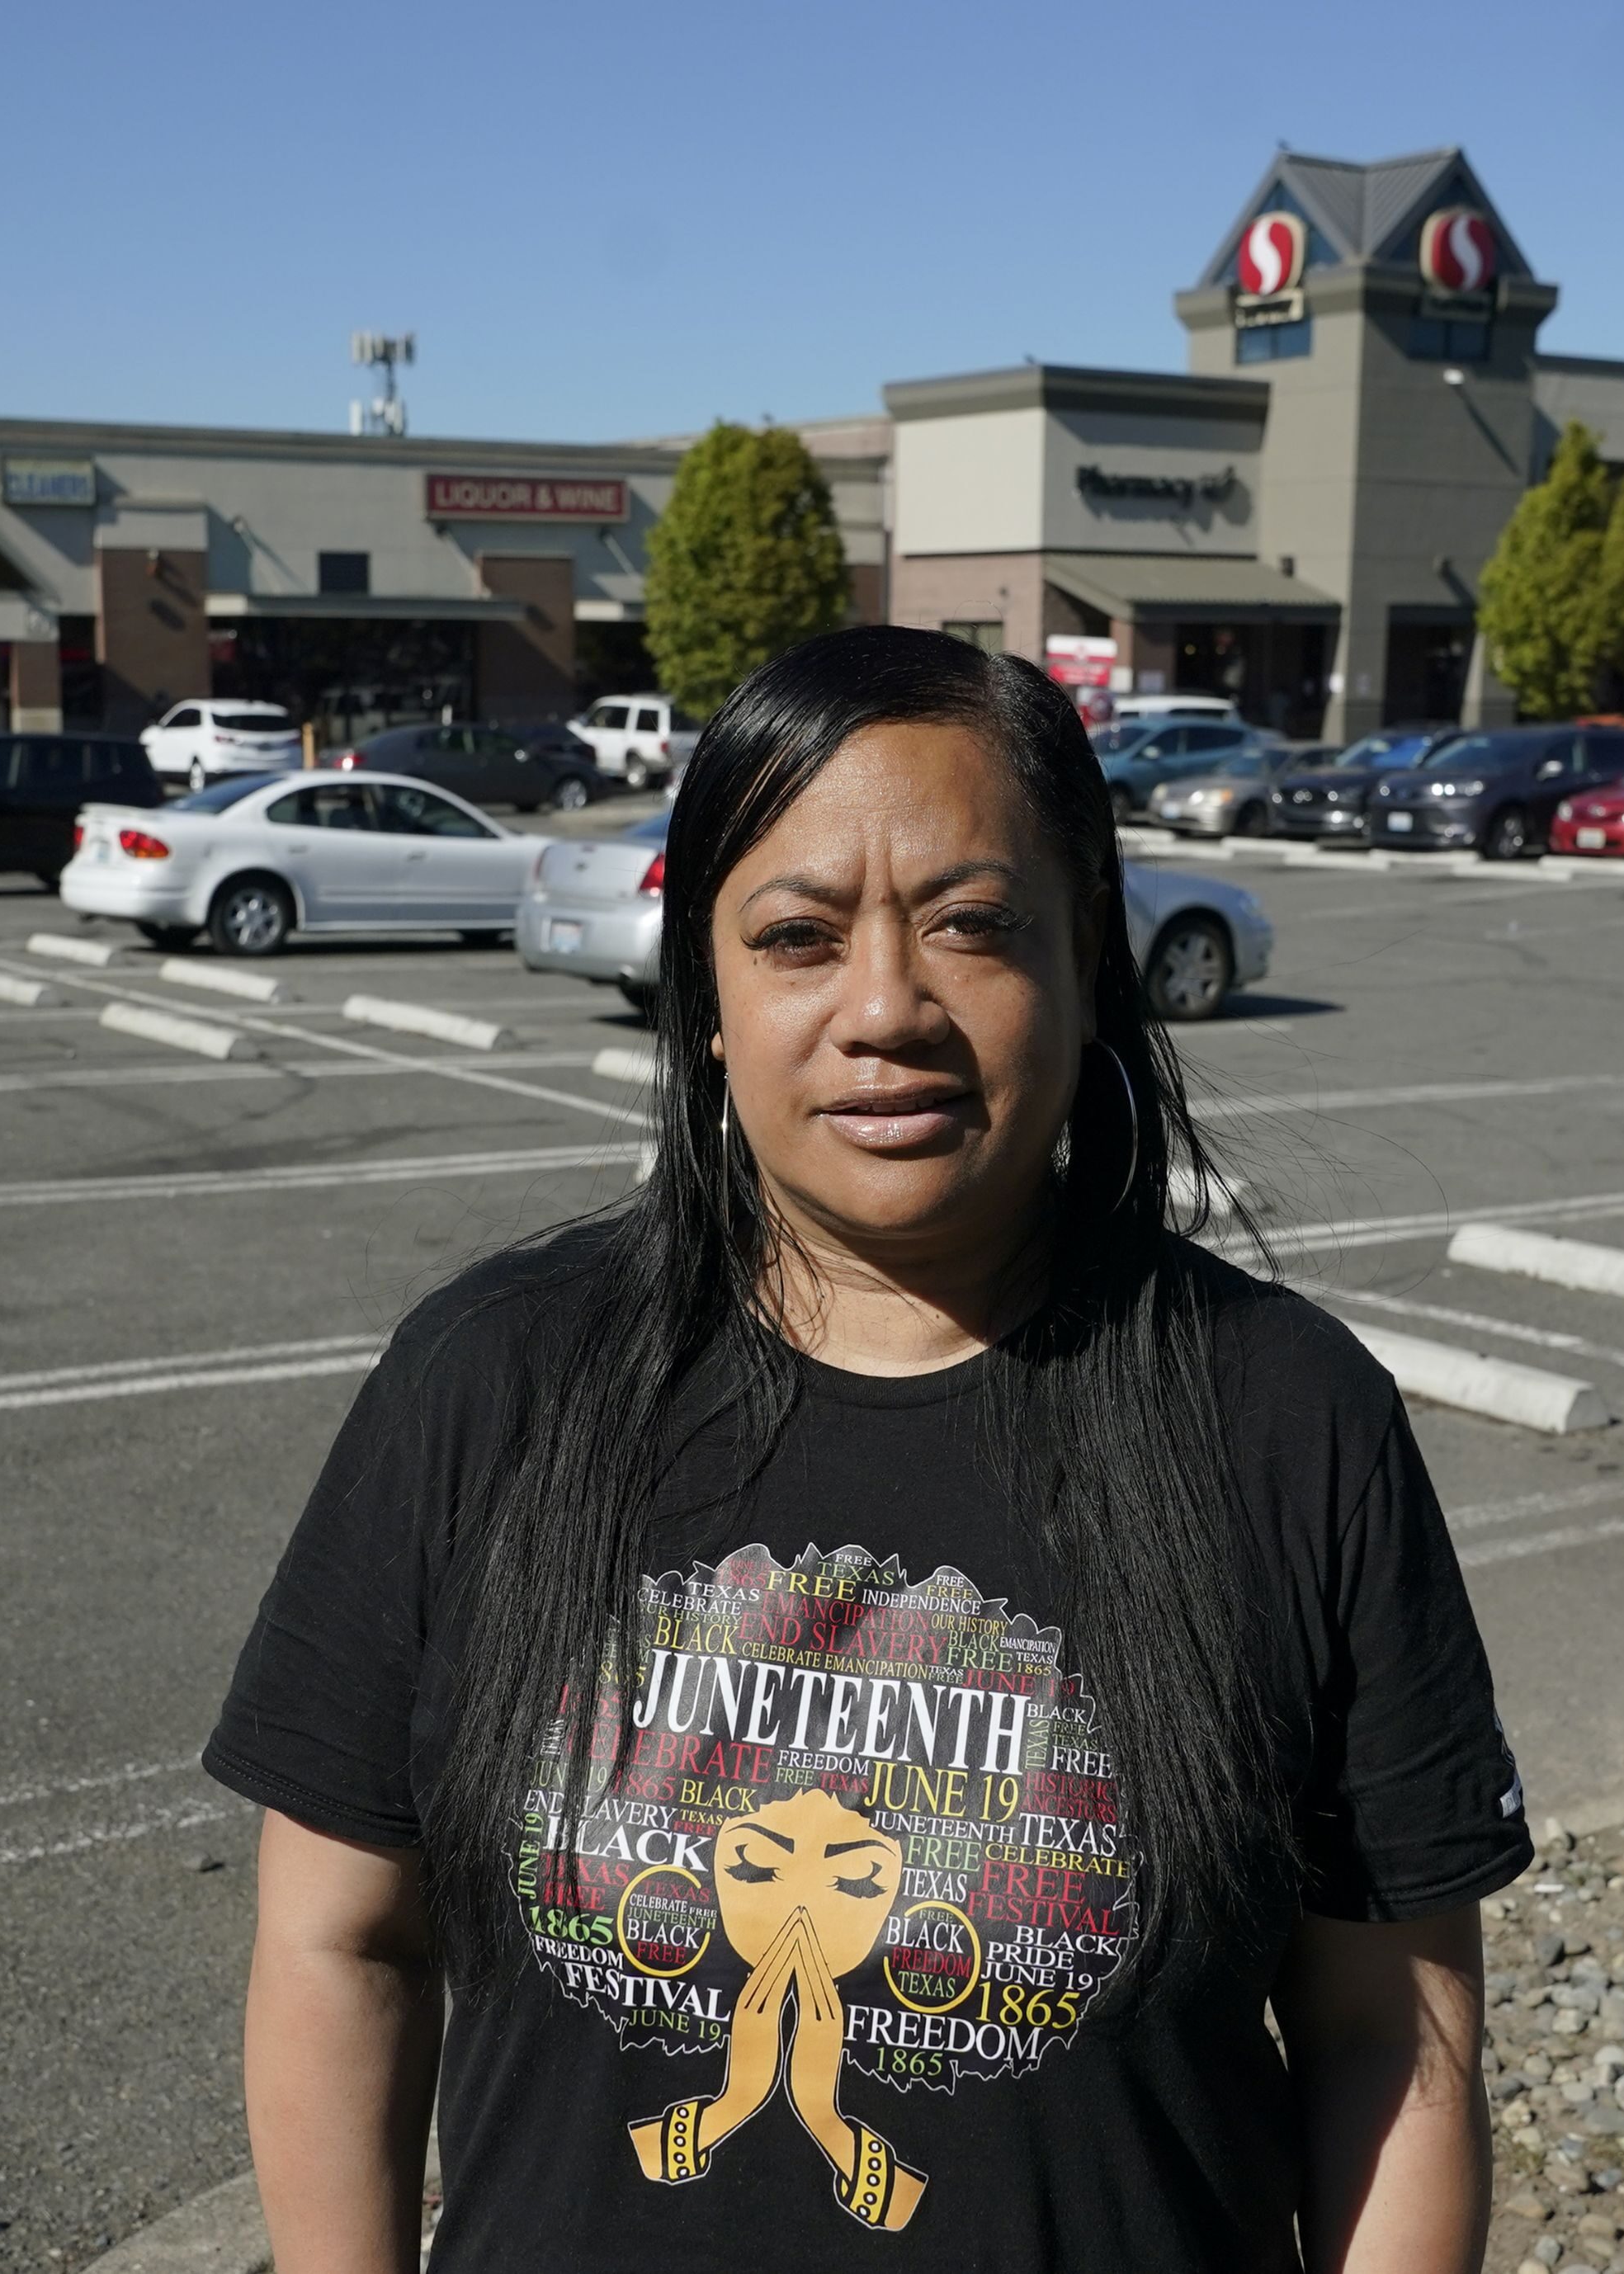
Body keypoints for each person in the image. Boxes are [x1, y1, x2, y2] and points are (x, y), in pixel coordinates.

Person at [207, 626, 1528, 2274]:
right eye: (796, 936)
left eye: (971, 925)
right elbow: (340, 1940)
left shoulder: (1285, 1418)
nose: (884, 1007)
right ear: (706, 998)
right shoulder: (491, 1383)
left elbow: (1384, 2035)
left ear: (1084, 967)